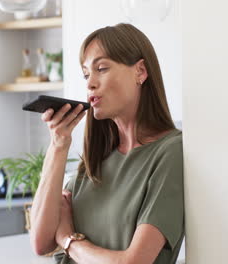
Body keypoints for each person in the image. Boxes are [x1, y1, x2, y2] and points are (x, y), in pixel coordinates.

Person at [29, 23, 184, 264]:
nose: (90, 83)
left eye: (101, 68)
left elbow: (135, 262)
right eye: (86, 74)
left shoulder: (171, 152)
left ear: (140, 72)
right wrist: (58, 145)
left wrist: (69, 239)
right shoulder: (93, 163)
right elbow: (40, 242)